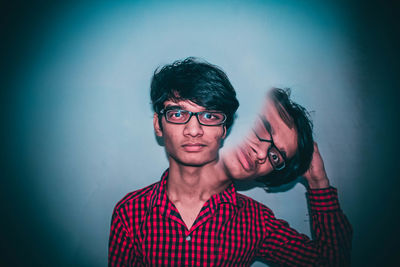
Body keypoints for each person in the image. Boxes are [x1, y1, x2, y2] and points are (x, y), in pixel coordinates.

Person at [108, 57, 352, 266]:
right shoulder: (130, 213)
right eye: (263, 126)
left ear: (222, 128)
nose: (260, 153)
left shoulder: (256, 222)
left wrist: (319, 183)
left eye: (276, 156)